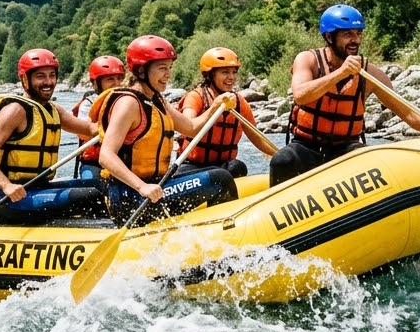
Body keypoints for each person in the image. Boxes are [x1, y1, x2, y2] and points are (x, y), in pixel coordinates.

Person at [268, 5, 420, 187]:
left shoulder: (370, 74)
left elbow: (407, 112)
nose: (355, 40)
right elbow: (300, 95)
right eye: (348, 34)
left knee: (372, 163)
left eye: (358, 34)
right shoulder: (307, 59)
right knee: (282, 160)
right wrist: (340, 73)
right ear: (329, 37)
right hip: (306, 147)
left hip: (346, 149)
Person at [93, 35, 240, 227]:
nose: (169, 75)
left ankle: (212, 229)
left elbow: (191, 128)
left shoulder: (156, 100)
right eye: (162, 68)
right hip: (132, 197)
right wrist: (142, 187)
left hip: (155, 186)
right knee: (220, 179)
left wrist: (215, 107)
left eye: (170, 68)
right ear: (141, 70)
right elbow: (106, 156)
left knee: (222, 170)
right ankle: (225, 232)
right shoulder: (128, 103)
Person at [0, 48, 105, 223]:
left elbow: (90, 129)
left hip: (41, 187)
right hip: (15, 199)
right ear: (24, 79)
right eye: (40, 76)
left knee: (102, 185)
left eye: (52, 75)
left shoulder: (53, 110)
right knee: (91, 196)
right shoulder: (15, 110)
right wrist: (6, 186)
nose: (48, 82)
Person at [175, 47, 278, 179]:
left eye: (234, 72)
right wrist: (214, 108)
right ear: (210, 75)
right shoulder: (196, 96)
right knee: (221, 174)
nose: (231, 77)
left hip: (222, 166)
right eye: (225, 72)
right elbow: (188, 126)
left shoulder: (239, 102)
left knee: (237, 167)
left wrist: (280, 154)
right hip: (192, 166)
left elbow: (257, 138)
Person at [71, 55, 125, 181]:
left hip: (121, 160)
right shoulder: (88, 104)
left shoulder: (127, 102)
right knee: (91, 183)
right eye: (110, 79)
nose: (116, 84)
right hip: (94, 163)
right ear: (96, 83)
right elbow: (83, 132)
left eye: (119, 78)